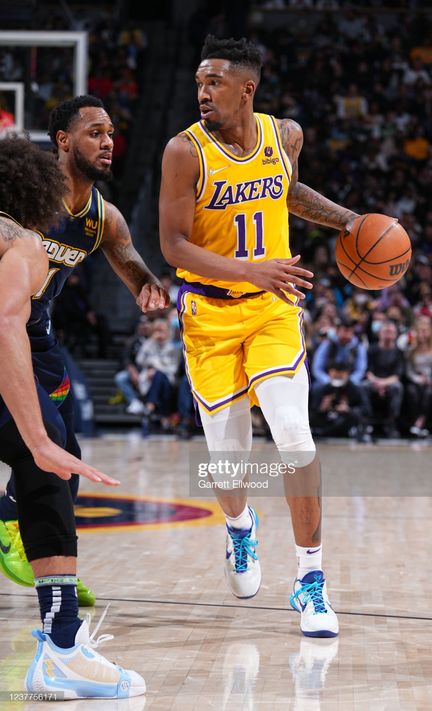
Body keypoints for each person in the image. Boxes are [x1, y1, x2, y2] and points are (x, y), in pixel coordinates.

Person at [159, 35, 362, 638]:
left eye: (214, 83)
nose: (202, 92)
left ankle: (311, 579)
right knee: (230, 462)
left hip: (273, 308)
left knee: (295, 436)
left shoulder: (285, 136)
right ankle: (241, 527)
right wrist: (253, 269)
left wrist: (348, 220)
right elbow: (173, 245)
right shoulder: (182, 152)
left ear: (246, 89)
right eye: (199, 82)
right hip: (210, 314)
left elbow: (287, 192)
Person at [0, 95, 169, 604]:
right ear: (63, 140)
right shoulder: (21, 199)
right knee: (41, 445)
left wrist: (147, 287)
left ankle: (41, 554)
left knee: (65, 454)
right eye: (95, 132)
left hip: (39, 338)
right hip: (6, 326)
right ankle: (22, 537)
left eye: (112, 133)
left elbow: (131, 262)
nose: (108, 142)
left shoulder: (102, 218)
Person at [0, 134, 145, 699]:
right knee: (52, 466)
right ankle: (62, 649)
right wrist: (36, 437)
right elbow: (7, 324)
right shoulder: (26, 245)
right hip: (20, 357)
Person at [363, 321, 405, 438]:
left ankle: (391, 423)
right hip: (373, 381)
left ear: (396, 334)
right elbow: (368, 371)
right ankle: (366, 422)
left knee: (397, 387)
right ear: (379, 334)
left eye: (391, 332)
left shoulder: (399, 352)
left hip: (390, 382)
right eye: (385, 331)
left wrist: (383, 384)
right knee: (363, 386)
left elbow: (397, 375)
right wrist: (376, 382)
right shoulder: (371, 349)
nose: (388, 334)